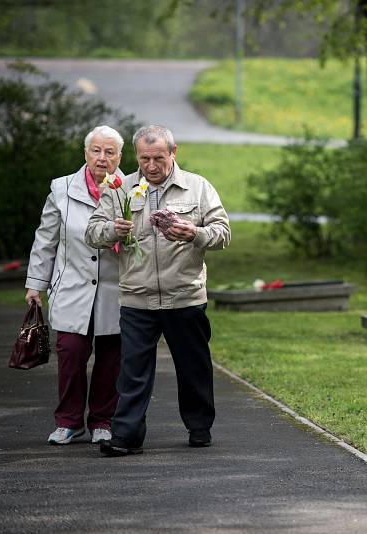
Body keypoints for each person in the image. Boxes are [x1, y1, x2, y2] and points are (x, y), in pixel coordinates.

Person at [86, 125, 231, 456]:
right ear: (137, 156)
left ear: (173, 153)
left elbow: (223, 233)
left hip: (184, 295)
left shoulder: (197, 187)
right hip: (137, 297)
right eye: (144, 158)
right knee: (132, 371)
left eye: (159, 158)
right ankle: (126, 436)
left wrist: (194, 232)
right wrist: (112, 229)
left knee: (192, 366)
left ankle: (199, 427)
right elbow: (93, 232)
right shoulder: (120, 188)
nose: (151, 166)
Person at [25, 125, 125, 446]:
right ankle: (68, 421)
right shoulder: (62, 188)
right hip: (71, 287)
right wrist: (35, 284)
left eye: (110, 152)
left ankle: (102, 420)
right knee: (70, 354)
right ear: (85, 153)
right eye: (96, 150)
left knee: (111, 358)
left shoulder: (132, 188)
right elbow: (46, 240)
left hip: (116, 289)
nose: (102, 158)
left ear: (120, 156)